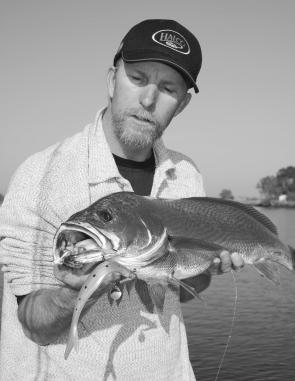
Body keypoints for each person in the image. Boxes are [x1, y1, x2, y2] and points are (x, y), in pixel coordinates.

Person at [0, 19, 244, 380]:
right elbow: (34, 325)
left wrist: (207, 268)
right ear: (112, 80)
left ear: (181, 105)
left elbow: (177, 291)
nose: (148, 99)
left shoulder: (186, 176)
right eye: (138, 78)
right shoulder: (40, 176)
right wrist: (75, 293)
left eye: (167, 88)